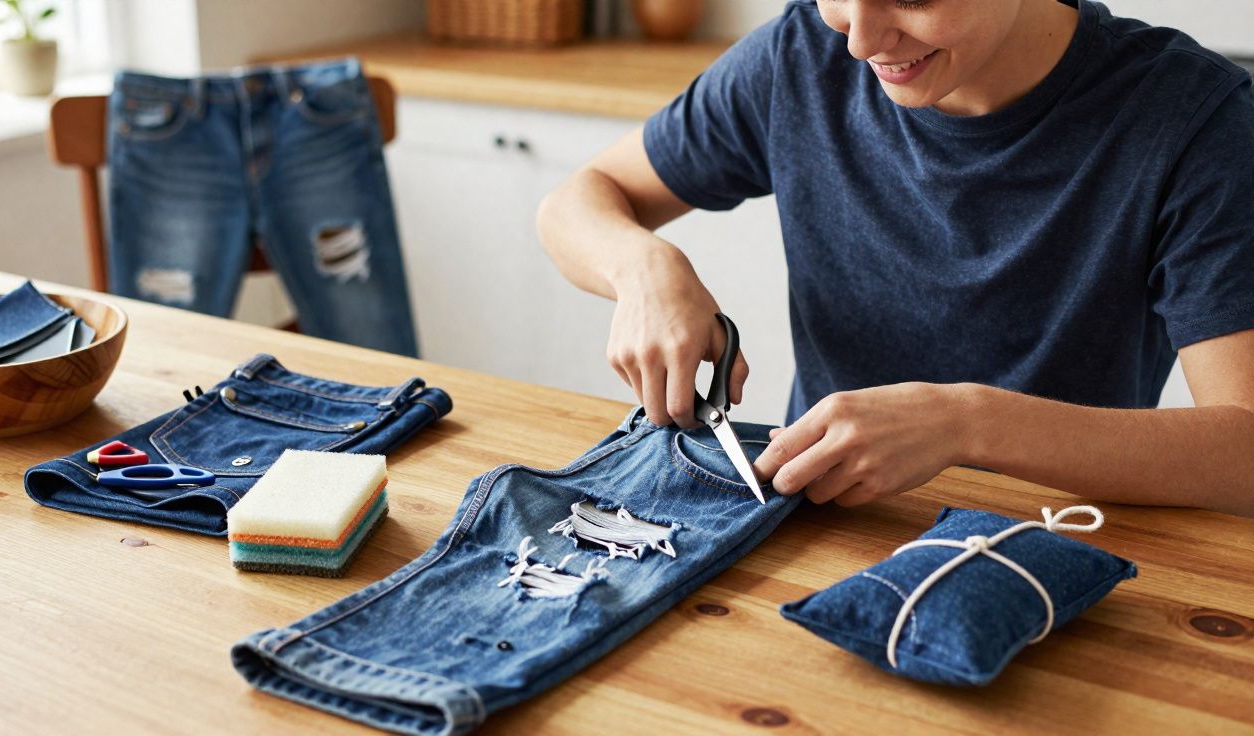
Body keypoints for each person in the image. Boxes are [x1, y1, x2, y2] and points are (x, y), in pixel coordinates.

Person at [536, 0, 1254, 517]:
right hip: (820, 528)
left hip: (1059, 548)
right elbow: (575, 202)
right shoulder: (800, 57)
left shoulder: (1195, 120)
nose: (860, 41)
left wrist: (965, 424)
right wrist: (644, 270)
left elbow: (1243, 451)